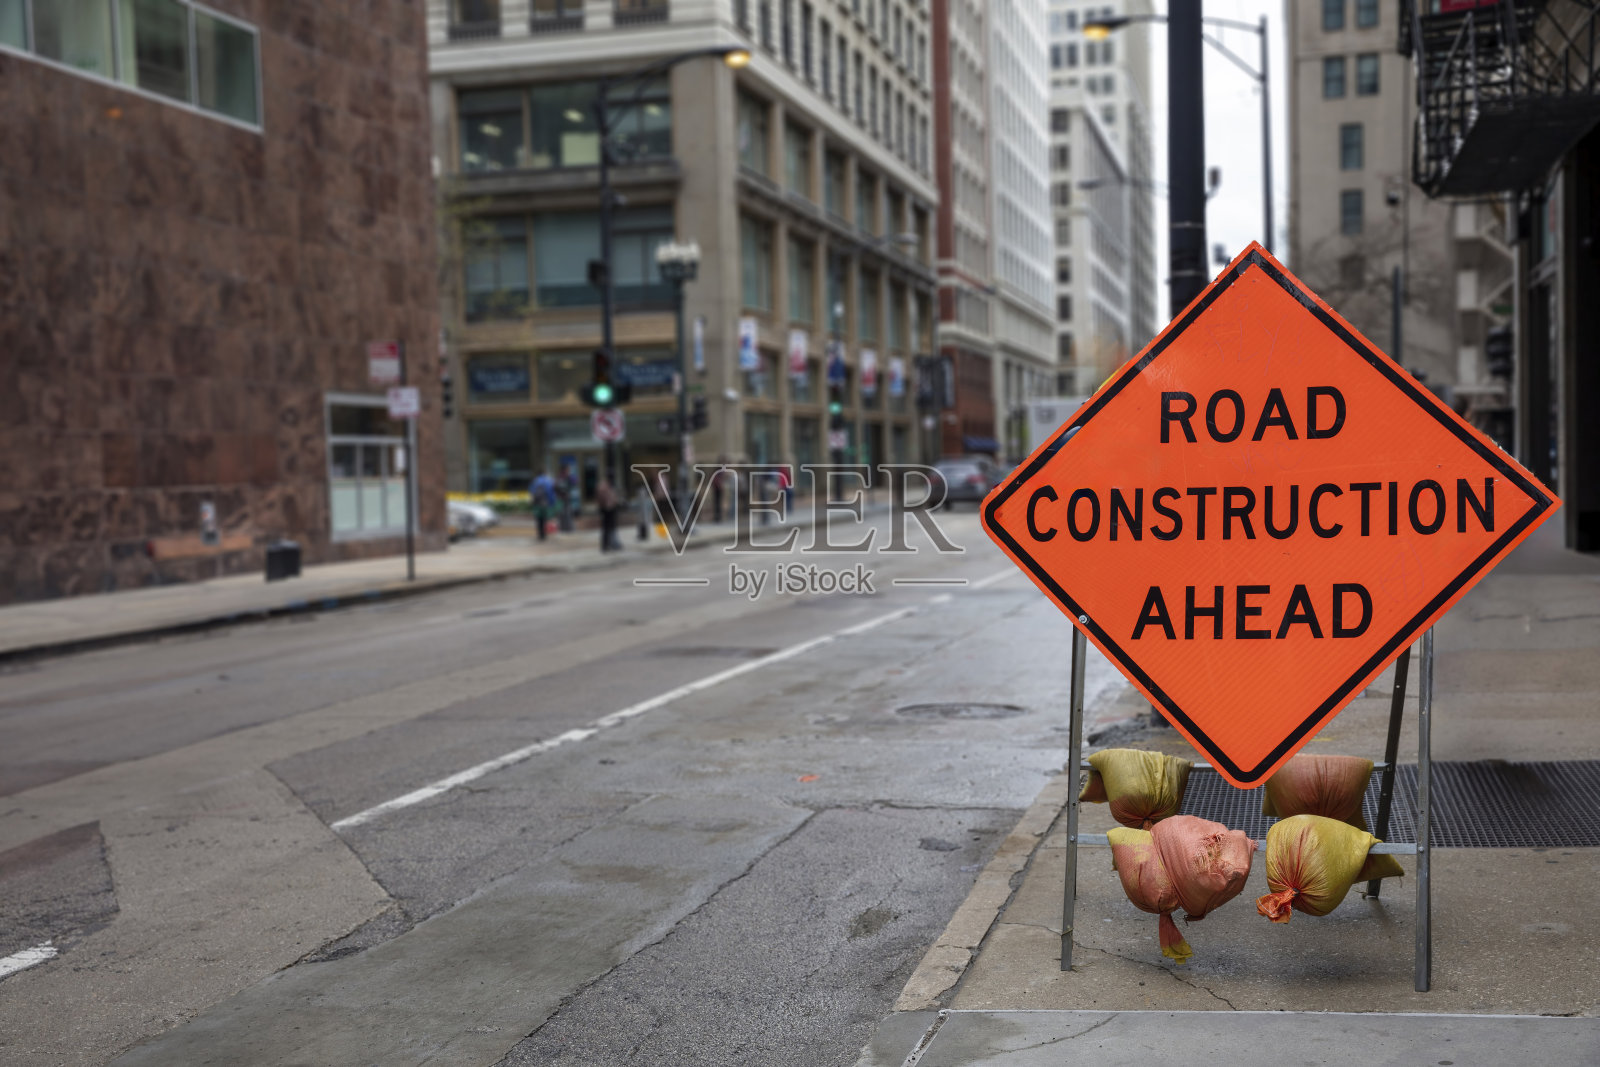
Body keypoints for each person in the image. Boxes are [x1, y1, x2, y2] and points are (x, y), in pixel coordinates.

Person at [529, 469, 555, 541]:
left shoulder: (535, 481)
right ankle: (544, 534)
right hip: (545, 502)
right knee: (544, 518)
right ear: (544, 474)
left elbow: (531, 491)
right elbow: (550, 493)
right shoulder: (547, 481)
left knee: (538, 519)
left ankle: (540, 534)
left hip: (536, 503)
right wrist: (552, 502)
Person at [596, 478, 620, 552]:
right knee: (608, 528)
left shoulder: (604, 487)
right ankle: (608, 544)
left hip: (607, 510)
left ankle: (608, 544)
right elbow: (609, 500)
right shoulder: (605, 488)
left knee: (608, 528)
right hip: (608, 510)